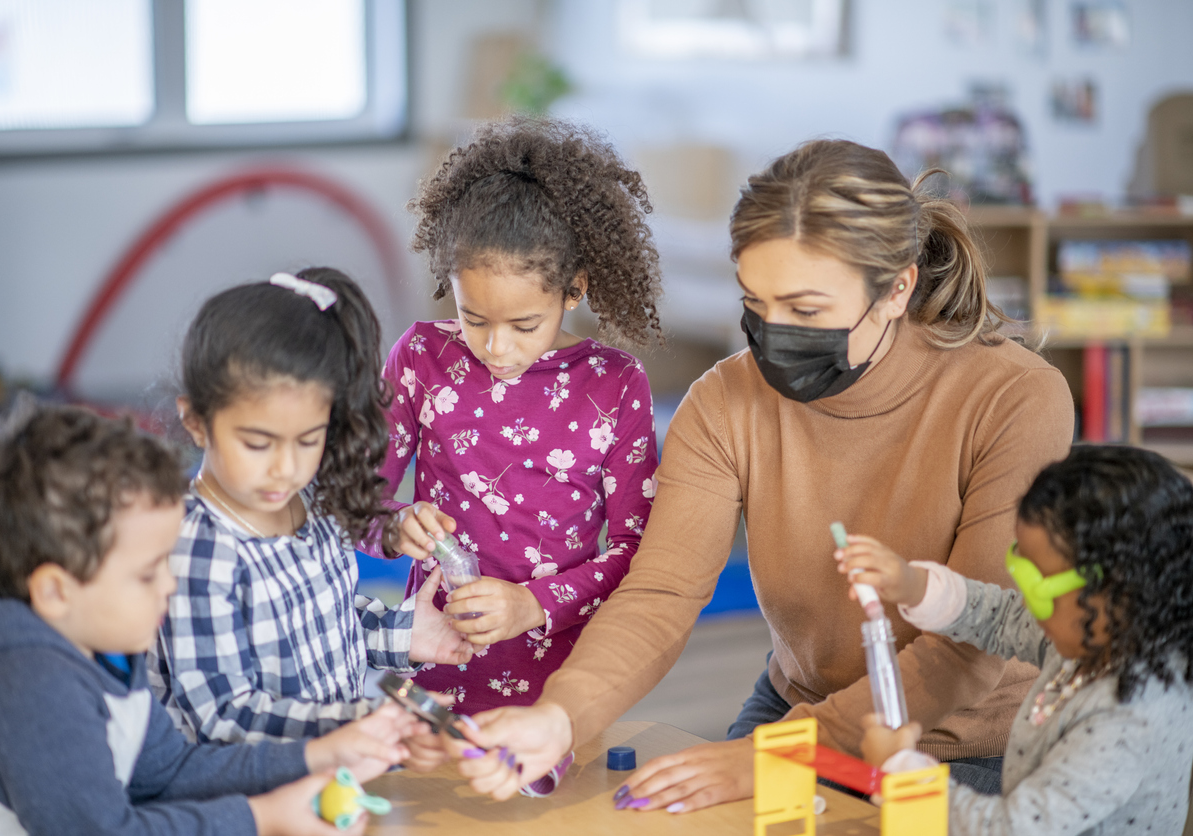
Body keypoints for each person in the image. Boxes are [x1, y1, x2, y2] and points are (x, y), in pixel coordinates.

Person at [445, 139, 1076, 809]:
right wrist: (560, 716)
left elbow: (966, 650)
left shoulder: (1015, 398)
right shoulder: (724, 401)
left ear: (897, 289)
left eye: (805, 311)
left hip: (971, 746)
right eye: (756, 303)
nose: (774, 334)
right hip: (799, 706)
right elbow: (660, 594)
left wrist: (779, 755)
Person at [0, 402, 424, 836]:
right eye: (148, 574)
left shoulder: (97, 642)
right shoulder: (26, 682)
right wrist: (265, 818)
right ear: (54, 592)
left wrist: (323, 752)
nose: (169, 586)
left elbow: (168, 772)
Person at [379, 116, 661, 715]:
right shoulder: (422, 358)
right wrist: (391, 526)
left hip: (565, 683)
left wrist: (533, 605)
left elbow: (638, 551)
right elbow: (348, 499)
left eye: (524, 325)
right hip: (432, 659)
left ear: (574, 290)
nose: (496, 347)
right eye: (474, 318)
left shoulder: (615, 386)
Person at [149, 267, 473, 745]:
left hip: (323, 783)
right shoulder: (195, 550)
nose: (286, 467)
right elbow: (223, 715)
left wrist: (405, 635)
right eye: (258, 444)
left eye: (308, 440)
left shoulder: (309, 505)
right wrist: (360, 721)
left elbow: (321, 627)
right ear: (196, 422)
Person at [853, 444, 1193, 835]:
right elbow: (1001, 617)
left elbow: (1011, 828)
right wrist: (914, 586)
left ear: (1120, 592)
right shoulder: (1092, 639)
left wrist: (900, 774)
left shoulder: (1129, 717)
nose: (1028, 603)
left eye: (1039, 587)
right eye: (1021, 570)